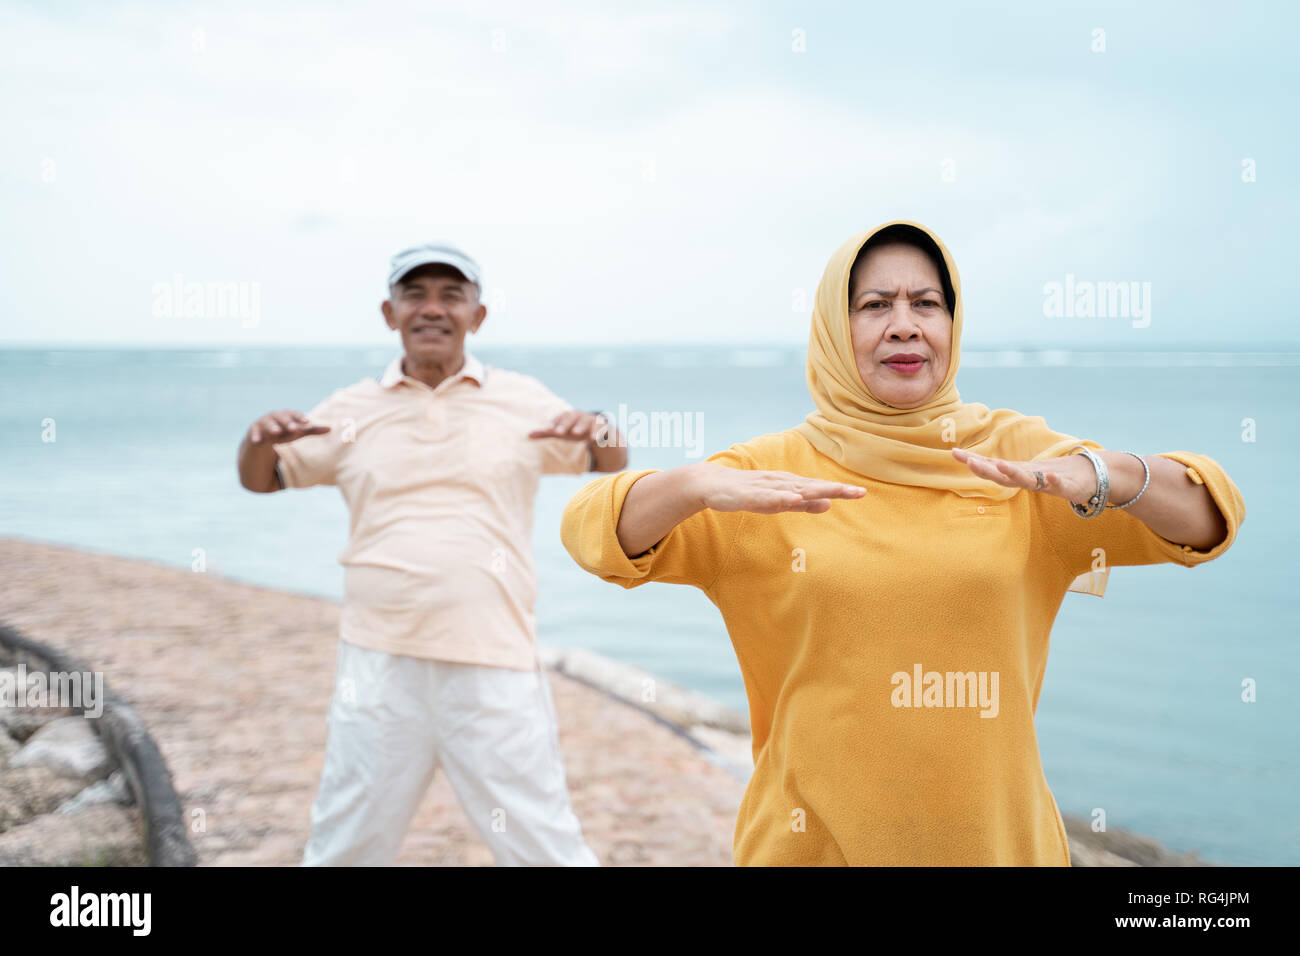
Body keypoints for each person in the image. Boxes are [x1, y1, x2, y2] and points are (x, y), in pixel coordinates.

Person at [560, 220, 1245, 866]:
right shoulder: (768, 476)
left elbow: (1210, 518)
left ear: (952, 323)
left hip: (998, 848)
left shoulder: (1021, 461)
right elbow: (592, 534)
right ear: (835, 325)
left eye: (926, 303)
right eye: (873, 305)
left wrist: (1111, 473)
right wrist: (686, 488)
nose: (904, 325)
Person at [237, 242, 626, 866]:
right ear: (390, 313)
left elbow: (606, 459)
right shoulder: (349, 408)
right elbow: (264, 477)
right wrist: (257, 439)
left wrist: (602, 428)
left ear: (479, 315)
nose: (433, 308)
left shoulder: (522, 398)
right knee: (345, 843)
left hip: (493, 658)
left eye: (452, 294)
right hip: (378, 661)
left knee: (542, 842)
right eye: (415, 294)